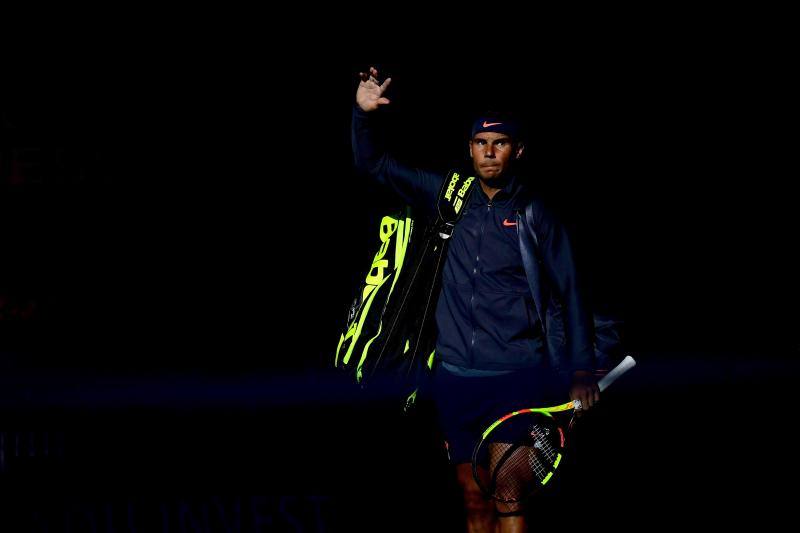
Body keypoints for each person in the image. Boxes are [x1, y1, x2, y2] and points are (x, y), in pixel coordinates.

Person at [352, 66, 599, 533]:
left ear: (517, 151)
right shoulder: (449, 195)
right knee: (473, 499)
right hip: (453, 379)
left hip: (513, 377)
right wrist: (363, 117)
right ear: (469, 149)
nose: (489, 152)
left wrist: (582, 369)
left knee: (508, 494)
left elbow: (571, 291)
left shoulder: (534, 212)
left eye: (500, 143)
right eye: (480, 144)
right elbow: (374, 165)